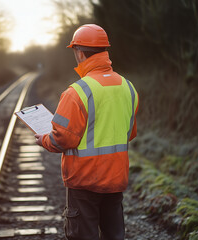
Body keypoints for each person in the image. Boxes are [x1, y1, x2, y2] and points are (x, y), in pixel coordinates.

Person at [35, 24, 139, 240]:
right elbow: (129, 133)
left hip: (84, 183)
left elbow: (62, 139)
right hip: (115, 180)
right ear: (104, 51)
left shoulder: (77, 92)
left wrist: (44, 139)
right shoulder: (128, 88)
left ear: (79, 52)